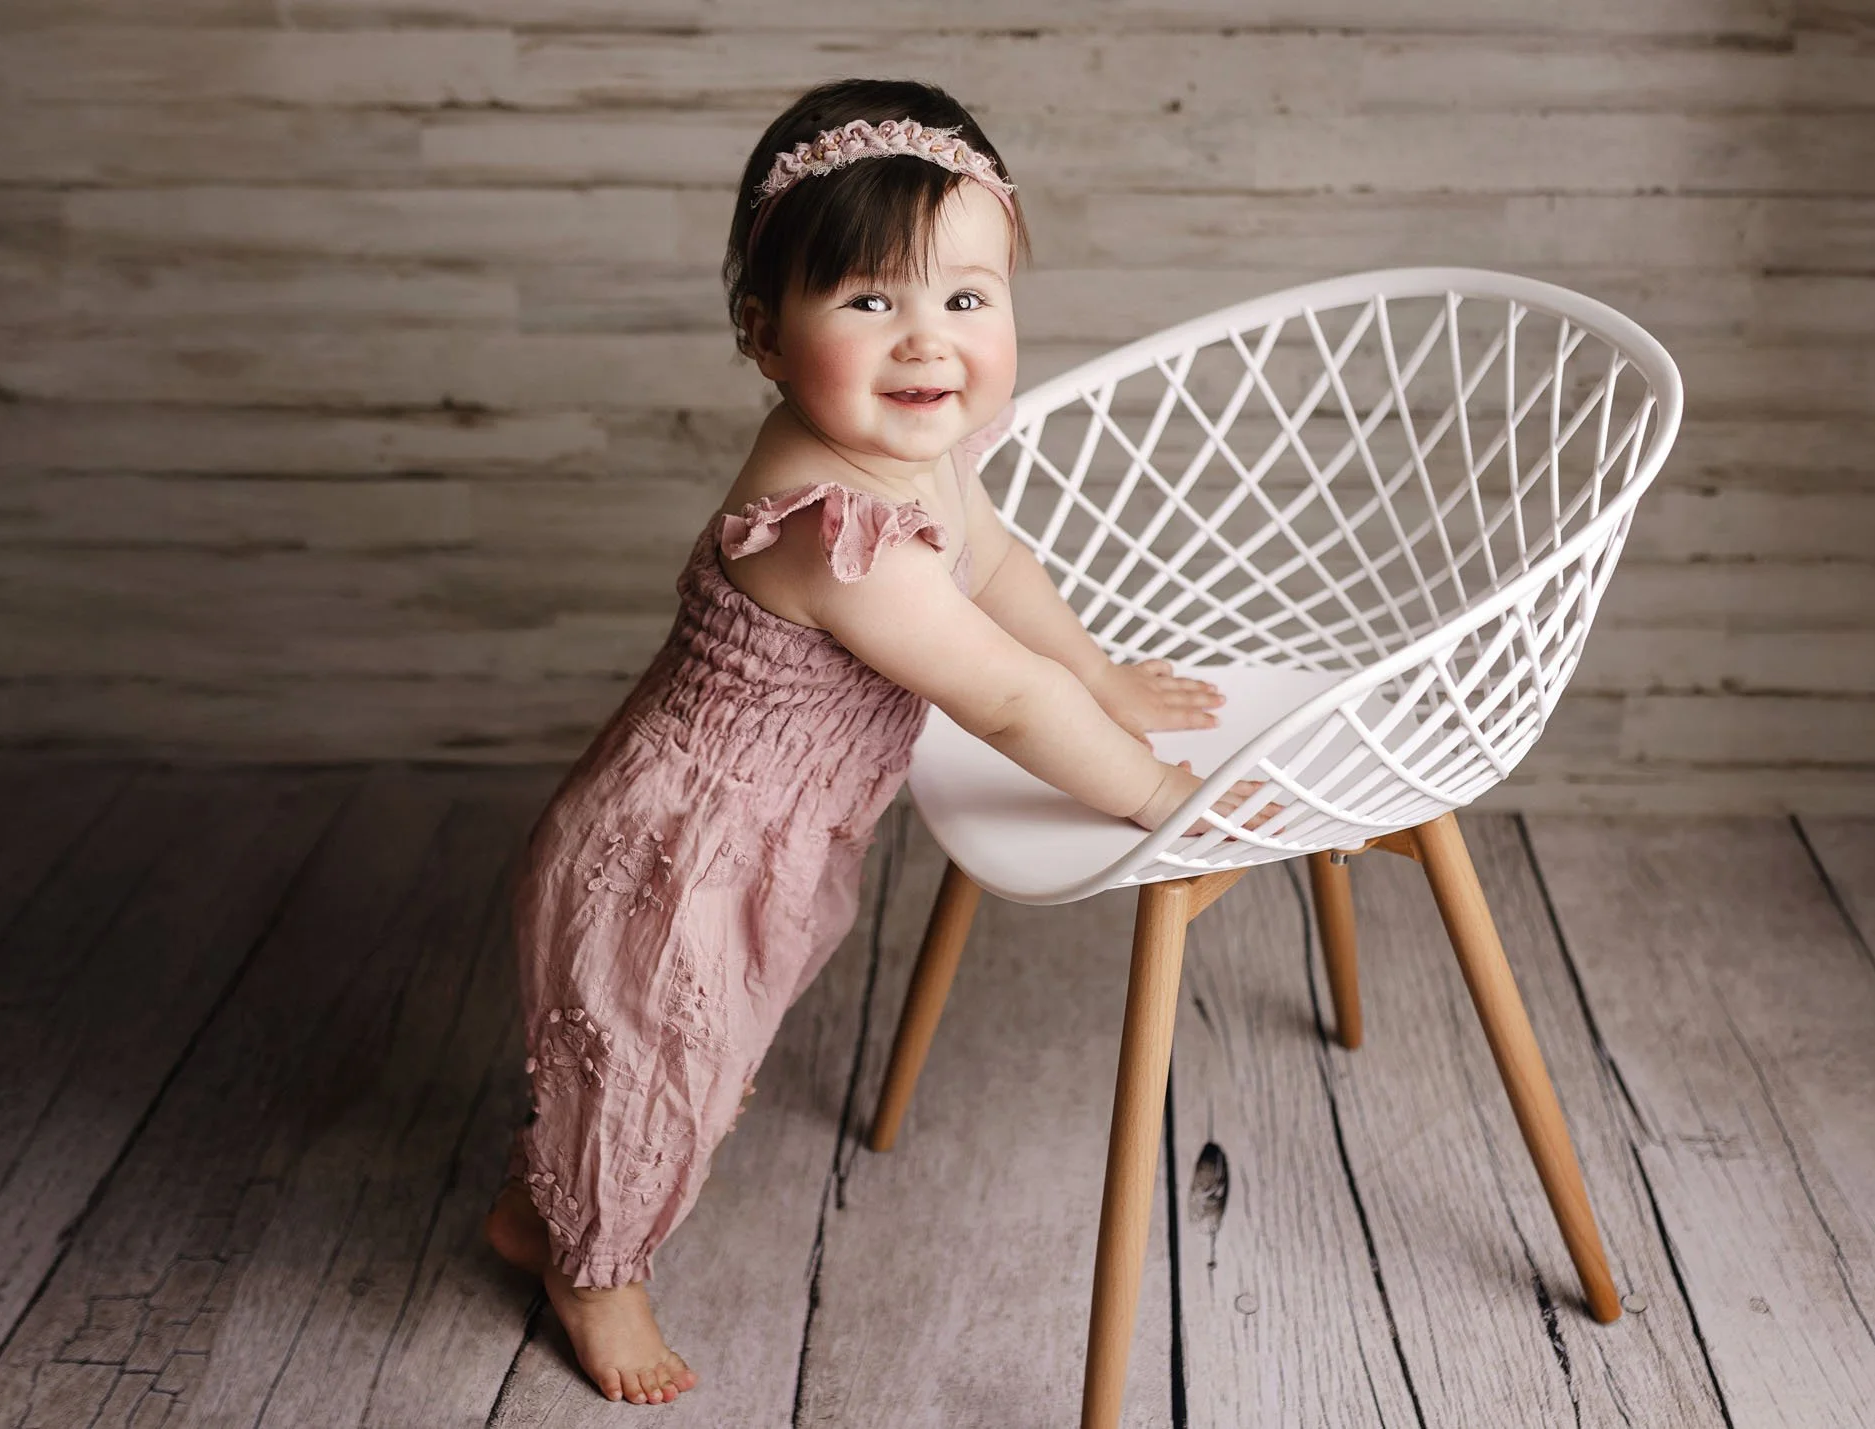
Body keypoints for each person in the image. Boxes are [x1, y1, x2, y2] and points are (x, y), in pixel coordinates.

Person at [483, 76, 1280, 1407]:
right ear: (765, 336)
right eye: (870, 302)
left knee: (665, 1063)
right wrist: (1153, 793)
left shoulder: (908, 455)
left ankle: (538, 1207)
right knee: (657, 1078)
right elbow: (1004, 703)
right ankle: (594, 1271)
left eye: (967, 299)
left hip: (764, 844)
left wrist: (1096, 670)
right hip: (678, 858)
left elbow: (999, 567)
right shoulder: (829, 525)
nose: (928, 344)